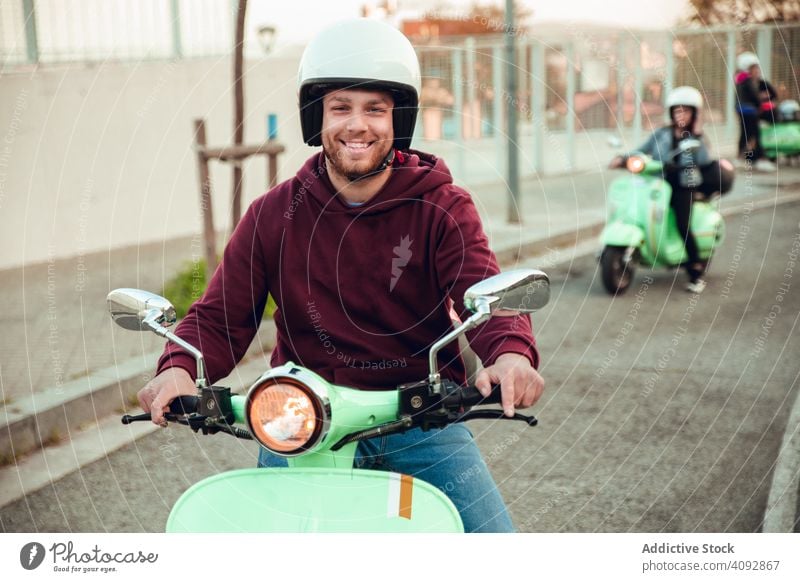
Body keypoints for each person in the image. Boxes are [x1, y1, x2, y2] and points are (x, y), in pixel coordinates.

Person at [136, 18, 544, 533]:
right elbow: (221, 316)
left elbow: (482, 295)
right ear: (317, 118)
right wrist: (178, 366)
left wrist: (509, 355)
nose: (358, 125)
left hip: (417, 418)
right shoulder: (273, 214)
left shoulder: (441, 207)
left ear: (400, 117)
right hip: (299, 423)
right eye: (341, 108)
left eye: (375, 109)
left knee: (493, 550)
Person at [610, 86, 734, 294]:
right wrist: (623, 158)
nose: (681, 114)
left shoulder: (697, 138)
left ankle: (695, 271)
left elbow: (703, 160)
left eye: (686, 110)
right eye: (677, 110)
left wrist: (694, 142)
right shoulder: (661, 133)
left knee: (682, 223)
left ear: (694, 113)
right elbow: (642, 150)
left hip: (683, 185)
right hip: (658, 184)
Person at [734, 52, 777, 171]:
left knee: (746, 134)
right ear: (747, 68)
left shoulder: (741, 79)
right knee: (754, 134)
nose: (756, 70)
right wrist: (761, 101)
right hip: (749, 112)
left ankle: (740, 158)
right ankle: (761, 159)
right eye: (753, 68)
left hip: (744, 111)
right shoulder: (747, 81)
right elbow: (755, 97)